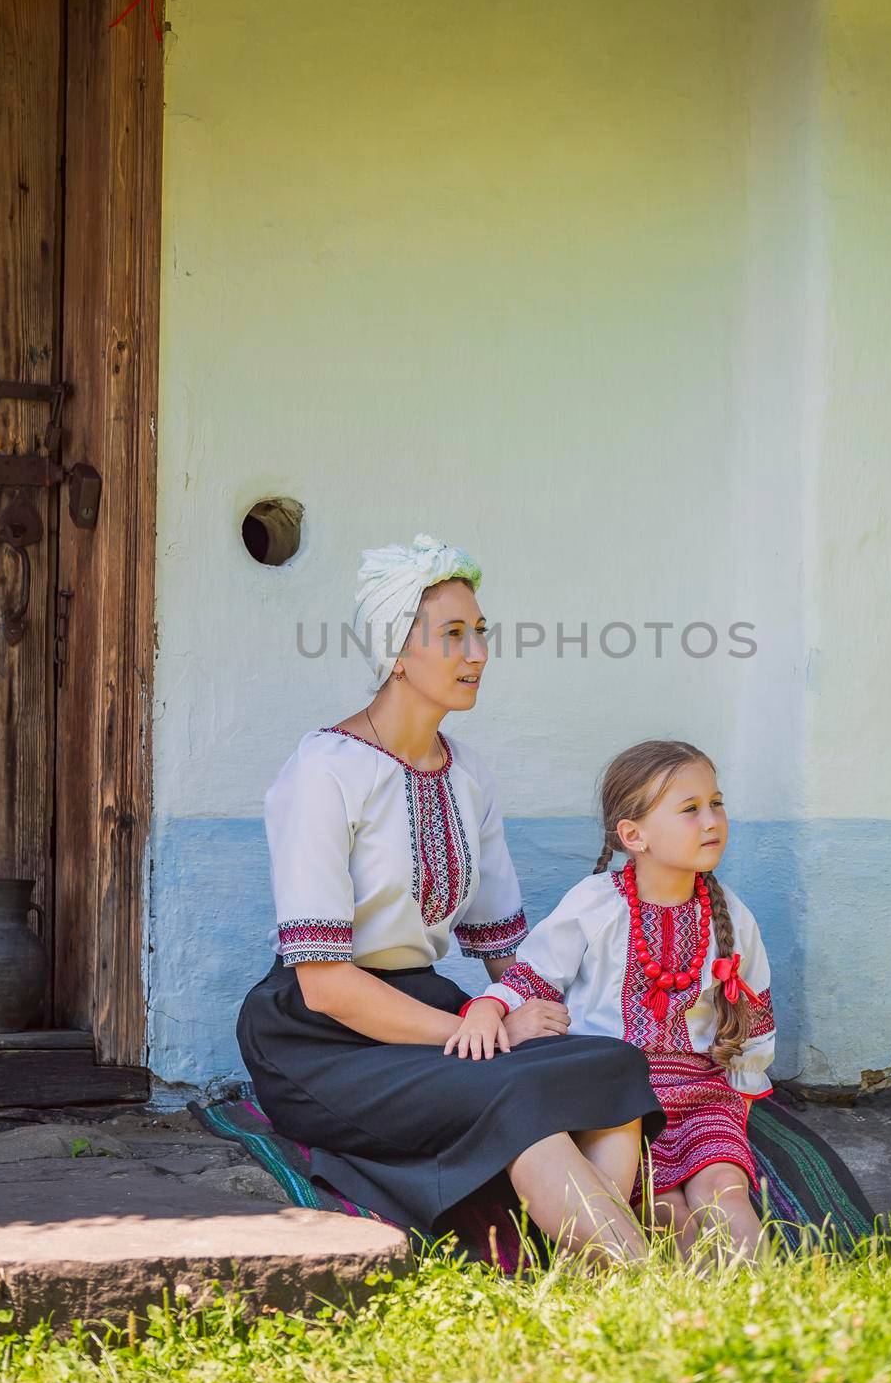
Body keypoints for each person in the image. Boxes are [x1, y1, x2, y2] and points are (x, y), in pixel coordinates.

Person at [237, 534, 663, 1264]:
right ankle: (640, 1281)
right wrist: (486, 1030)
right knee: (512, 1095)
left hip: (432, 1009)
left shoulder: (467, 775)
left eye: (481, 633)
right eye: (454, 635)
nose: (477, 654)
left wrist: (527, 1015)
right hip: (319, 1038)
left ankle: (581, 1267)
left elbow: (503, 949)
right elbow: (327, 985)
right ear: (397, 652)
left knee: (610, 1067)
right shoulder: (323, 771)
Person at [459, 738, 775, 1263]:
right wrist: (491, 1006)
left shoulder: (733, 918)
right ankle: (687, 1309)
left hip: (702, 1093)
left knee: (724, 1190)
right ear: (634, 835)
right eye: (690, 809)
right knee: (666, 1207)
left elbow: (754, 1020)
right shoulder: (595, 904)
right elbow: (535, 976)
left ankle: (776, 1304)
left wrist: (737, 1101)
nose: (712, 821)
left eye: (716, 803)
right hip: (618, 1099)